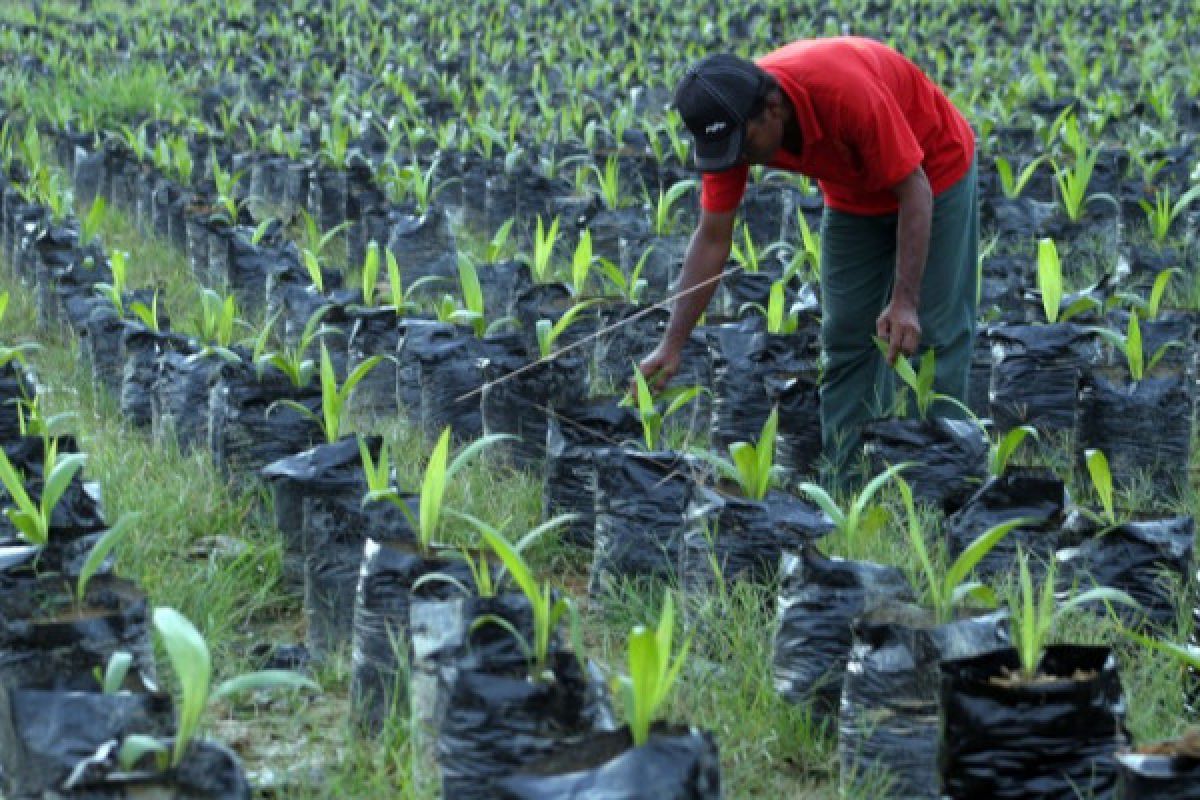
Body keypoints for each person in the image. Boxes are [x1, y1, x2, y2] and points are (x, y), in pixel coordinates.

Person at [637, 36, 978, 484]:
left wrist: (905, 300)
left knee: (933, 334)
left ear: (773, 108)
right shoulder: (734, 121)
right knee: (847, 335)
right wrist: (673, 342)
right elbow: (713, 238)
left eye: (744, 144)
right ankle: (846, 483)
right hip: (853, 193)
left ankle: (937, 486)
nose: (737, 159)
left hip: (933, 172)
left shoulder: (843, 92)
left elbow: (913, 189)